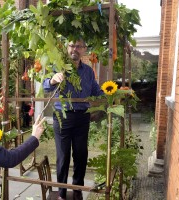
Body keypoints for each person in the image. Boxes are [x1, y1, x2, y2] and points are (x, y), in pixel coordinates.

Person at [43, 39, 103, 200]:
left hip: (83, 117)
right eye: (71, 45)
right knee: (63, 156)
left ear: (84, 50)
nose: (74, 49)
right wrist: (53, 80)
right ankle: (61, 193)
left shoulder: (89, 71)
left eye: (78, 46)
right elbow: (45, 86)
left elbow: (96, 90)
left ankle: (77, 190)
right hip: (63, 118)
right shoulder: (58, 66)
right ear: (66, 48)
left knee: (81, 154)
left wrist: (111, 94)